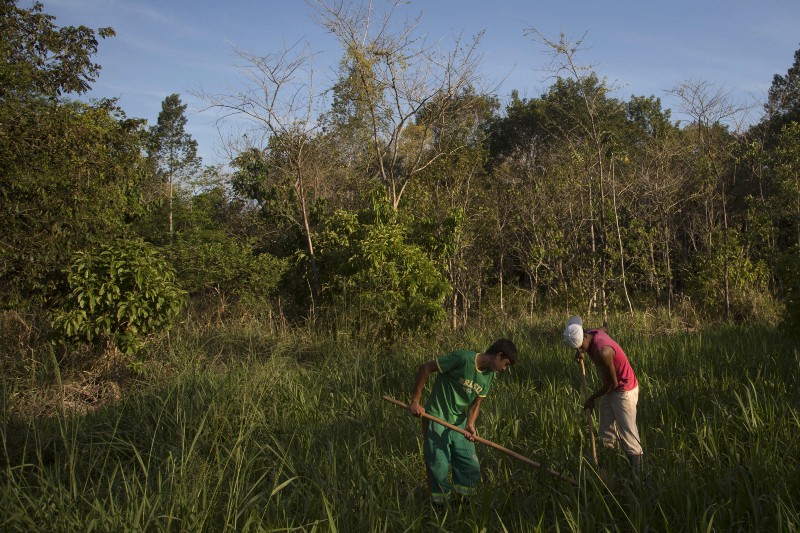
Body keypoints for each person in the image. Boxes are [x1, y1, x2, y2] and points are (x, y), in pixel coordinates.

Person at [408, 338, 518, 504]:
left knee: (469, 465)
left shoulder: (490, 375)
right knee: (438, 465)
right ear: (499, 355)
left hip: (459, 423)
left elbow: (476, 403)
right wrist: (415, 402)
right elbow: (425, 368)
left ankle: (464, 504)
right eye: (506, 364)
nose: (504, 369)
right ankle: (440, 506)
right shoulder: (463, 358)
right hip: (437, 417)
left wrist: (470, 424)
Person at [563, 316, 644, 477]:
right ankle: (611, 470)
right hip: (612, 390)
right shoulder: (592, 333)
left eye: (579, 347)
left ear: (584, 336)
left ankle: (640, 477)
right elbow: (603, 329)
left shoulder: (603, 351)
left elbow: (612, 384)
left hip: (624, 390)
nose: (579, 350)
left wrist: (592, 398)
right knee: (606, 433)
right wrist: (581, 351)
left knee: (629, 436)